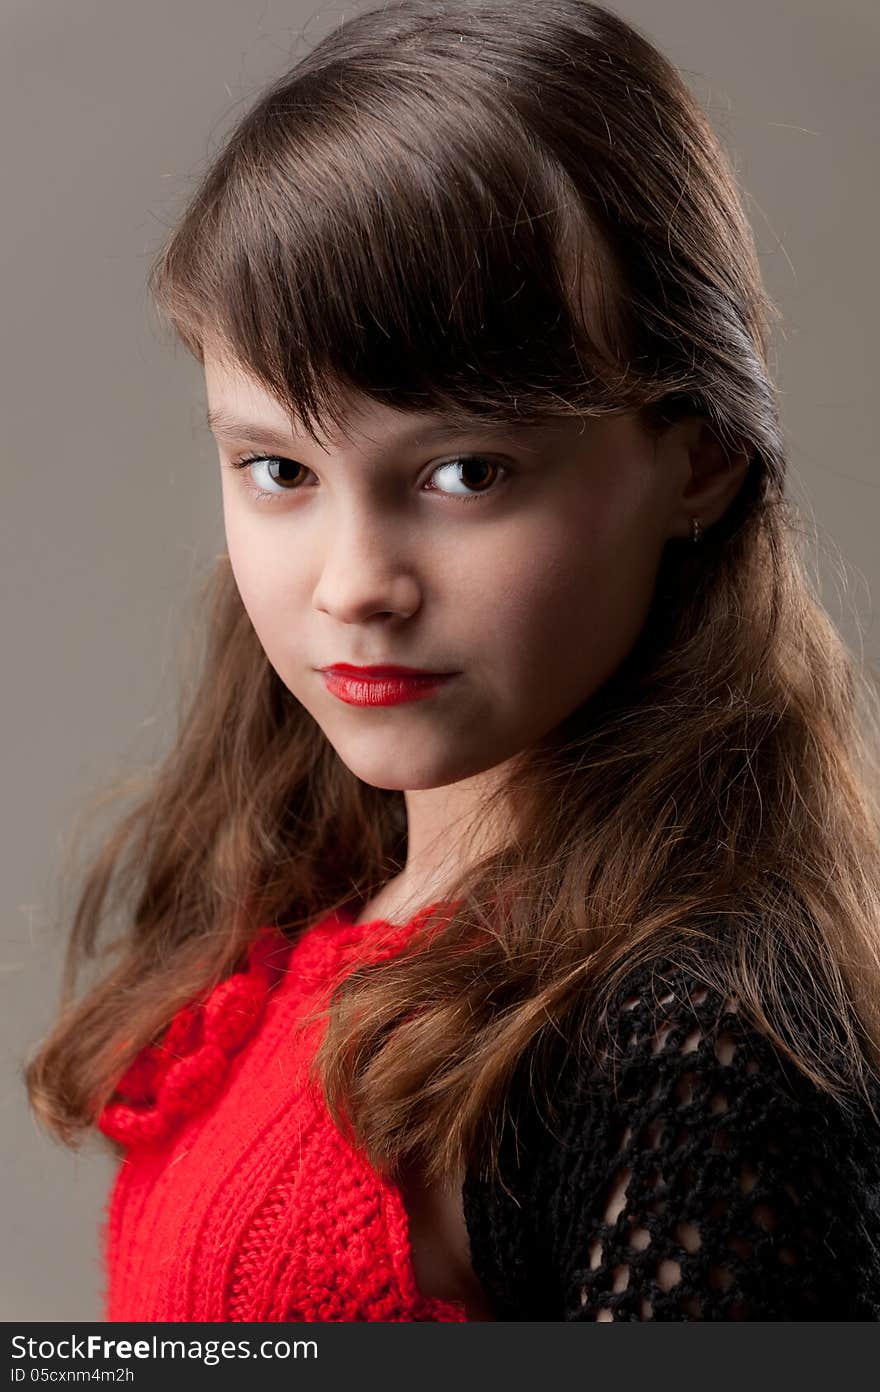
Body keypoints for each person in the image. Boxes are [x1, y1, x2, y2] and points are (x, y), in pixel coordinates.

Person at [24, 0, 880, 1321]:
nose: (355, 584)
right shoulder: (310, 899)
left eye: (465, 472)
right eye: (279, 471)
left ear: (698, 457)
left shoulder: (693, 1037)